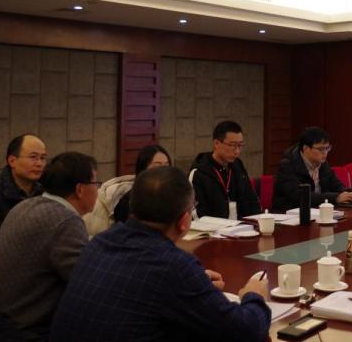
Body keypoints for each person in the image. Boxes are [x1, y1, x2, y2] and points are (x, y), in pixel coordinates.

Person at [50, 166, 271, 342]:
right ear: (184, 221)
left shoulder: (99, 243)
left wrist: (192, 284)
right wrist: (254, 296)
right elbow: (245, 331)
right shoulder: (174, 266)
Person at [0, 152, 98, 338]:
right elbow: (86, 282)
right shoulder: (65, 220)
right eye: (96, 184)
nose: (98, 190)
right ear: (80, 189)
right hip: (12, 331)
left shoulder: (25, 205)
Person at [0, 134, 47, 270]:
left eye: (43, 158)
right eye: (33, 157)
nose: (39, 163)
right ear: (12, 161)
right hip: (7, 270)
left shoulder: (43, 190)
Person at [84, 144, 172, 236]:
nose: (163, 171)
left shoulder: (172, 195)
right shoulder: (130, 201)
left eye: (166, 166)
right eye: (157, 166)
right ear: (143, 170)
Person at [271, 127, 352, 212]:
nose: (325, 153)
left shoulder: (322, 163)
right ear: (306, 149)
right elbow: (299, 196)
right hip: (289, 214)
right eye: (321, 149)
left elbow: (335, 185)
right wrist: (336, 197)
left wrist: (350, 193)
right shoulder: (287, 165)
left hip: (316, 212)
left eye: (327, 148)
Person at [190, 121, 261, 218]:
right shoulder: (199, 173)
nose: (237, 151)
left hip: (243, 225)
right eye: (232, 145)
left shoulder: (238, 166)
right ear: (216, 143)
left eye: (240, 145)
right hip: (213, 227)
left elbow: (252, 202)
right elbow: (197, 216)